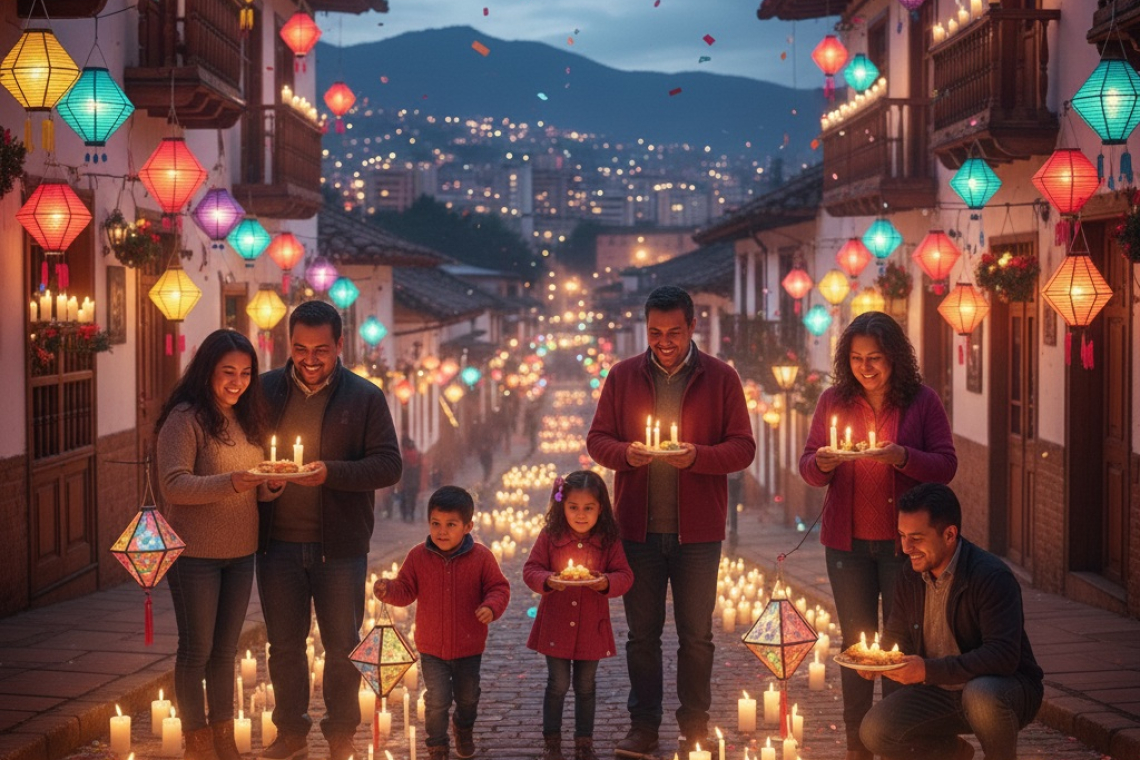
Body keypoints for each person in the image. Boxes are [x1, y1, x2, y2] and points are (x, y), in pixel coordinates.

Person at [586, 285, 756, 757]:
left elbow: (743, 448)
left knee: (696, 637)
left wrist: (697, 457)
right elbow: (597, 440)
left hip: (698, 534)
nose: (664, 342)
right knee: (642, 635)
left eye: (674, 332)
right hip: (637, 531)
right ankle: (643, 725)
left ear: (692, 327)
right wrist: (627, 454)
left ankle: (695, 722)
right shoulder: (622, 376)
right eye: (656, 332)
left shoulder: (721, 378)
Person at [799, 310, 958, 760]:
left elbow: (946, 465)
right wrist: (825, 463)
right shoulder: (834, 400)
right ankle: (857, 745)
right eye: (855, 358)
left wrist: (903, 456)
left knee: (897, 646)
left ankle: (893, 739)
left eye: (875, 358)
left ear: (895, 359)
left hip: (903, 549)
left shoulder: (921, 402)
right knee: (856, 645)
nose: (865, 367)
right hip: (846, 547)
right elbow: (808, 466)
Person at [257, 300, 403, 760]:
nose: (310, 359)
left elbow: (389, 464)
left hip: (339, 546)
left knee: (342, 645)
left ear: (340, 345)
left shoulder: (364, 397)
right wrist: (266, 478)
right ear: (289, 344)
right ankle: (291, 735)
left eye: (321, 349)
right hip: (276, 545)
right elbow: (243, 455)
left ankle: (341, 734)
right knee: (283, 646)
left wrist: (331, 473)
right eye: (300, 348)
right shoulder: (263, 392)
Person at [155, 329, 281, 760]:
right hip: (194, 555)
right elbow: (174, 485)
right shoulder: (184, 417)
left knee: (226, 651)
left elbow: (255, 488)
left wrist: (272, 485)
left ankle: (225, 741)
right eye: (228, 371)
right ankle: (198, 743)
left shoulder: (247, 417)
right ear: (207, 368)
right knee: (196, 650)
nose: (237, 382)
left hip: (240, 551)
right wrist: (233, 482)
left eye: (246, 373)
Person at [859, 483, 1044, 760]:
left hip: (1004, 690)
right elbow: (897, 634)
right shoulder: (909, 575)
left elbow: (1003, 656)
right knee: (875, 731)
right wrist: (876, 660)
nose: (907, 548)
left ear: (949, 534)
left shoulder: (990, 577)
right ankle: (953, 753)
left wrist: (926, 671)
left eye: (917, 538)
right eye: (902, 535)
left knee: (980, 695)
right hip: (940, 693)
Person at [374, 486, 511, 760]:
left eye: (451, 525)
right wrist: (389, 590)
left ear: (468, 526)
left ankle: (463, 726)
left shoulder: (482, 558)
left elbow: (499, 588)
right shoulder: (417, 557)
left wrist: (490, 606)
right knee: (436, 700)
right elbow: (406, 589)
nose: (442, 531)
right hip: (431, 647)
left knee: (468, 697)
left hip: (469, 646)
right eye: (436, 524)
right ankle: (436, 744)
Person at [523, 471, 634, 760]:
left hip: (590, 628)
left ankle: (584, 740)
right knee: (557, 683)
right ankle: (552, 739)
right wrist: (549, 580)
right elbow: (531, 569)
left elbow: (624, 574)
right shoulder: (551, 536)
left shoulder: (608, 540)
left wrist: (605, 582)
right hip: (556, 624)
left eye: (588, 508)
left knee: (586, 685)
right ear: (562, 506)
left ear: (601, 508)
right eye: (573, 507)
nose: (580, 515)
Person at [401, 437, 423, 523]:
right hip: (414, 479)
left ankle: (407, 515)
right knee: (412, 498)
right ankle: (411, 515)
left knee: (407, 497)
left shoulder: (405, 454)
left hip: (408, 478)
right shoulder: (417, 455)